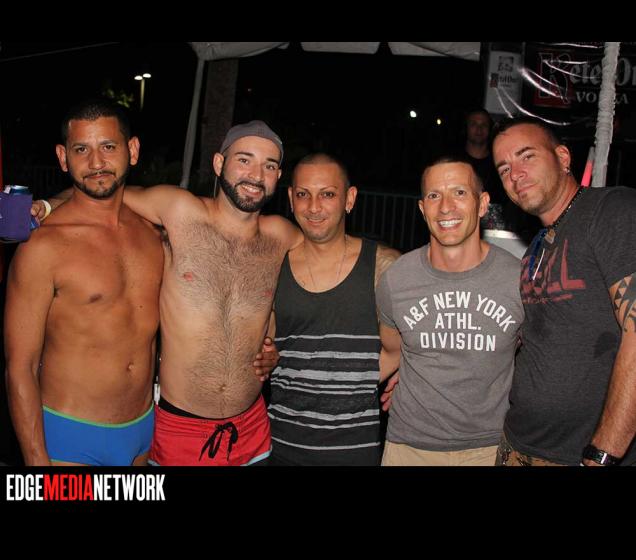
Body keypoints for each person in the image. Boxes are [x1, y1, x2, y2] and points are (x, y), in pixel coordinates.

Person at [40, 119, 302, 466]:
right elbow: (102, 193)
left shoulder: (282, 236)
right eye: (244, 160)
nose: (255, 175)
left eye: (268, 166)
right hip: (180, 430)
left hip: (251, 429)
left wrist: (274, 341)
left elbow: (315, 278)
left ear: (278, 176)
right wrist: (45, 207)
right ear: (219, 163)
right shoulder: (179, 210)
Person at [5, 98, 163, 466]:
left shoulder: (153, 232)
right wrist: (36, 462)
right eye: (81, 150)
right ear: (63, 158)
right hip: (69, 438)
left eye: (108, 146)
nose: (96, 163)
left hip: (143, 431)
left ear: (132, 150)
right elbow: (20, 367)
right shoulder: (42, 246)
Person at [492, 117, 636, 466]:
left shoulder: (610, 209)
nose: (515, 174)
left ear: (563, 157)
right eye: (504, 169)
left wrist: (604, 452)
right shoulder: (535, 247)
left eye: (527, 156)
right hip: (517, 443)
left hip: (580, 454)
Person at [376, 156, 524, 466]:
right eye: (434, 195)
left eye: (459, 192)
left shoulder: (518, 280)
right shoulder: (397, 278)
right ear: (422, 209)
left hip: (490, 448)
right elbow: (392, 352)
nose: (445, 207)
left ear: (482, 204)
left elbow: (535, 358)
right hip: (409, 447)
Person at [265, 153, 400, 466]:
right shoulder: (272, 266)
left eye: (327, 194)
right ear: (291, 198)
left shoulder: (383, 266)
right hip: (280, 447)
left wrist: (352, 385)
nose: (314, 207)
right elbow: (263, 347)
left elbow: (404, 347)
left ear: (349, 199)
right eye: (303, 194)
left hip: (354, 452)